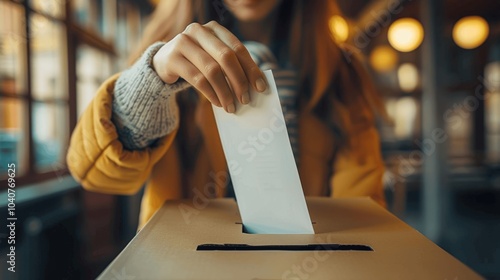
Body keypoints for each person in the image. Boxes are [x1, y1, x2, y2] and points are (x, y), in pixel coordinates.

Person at [67, 0, 387, 230]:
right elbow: (93, 174)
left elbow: (361, 207)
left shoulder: (341, 72)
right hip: (187, 264)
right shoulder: (162, 56)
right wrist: (152, 80)